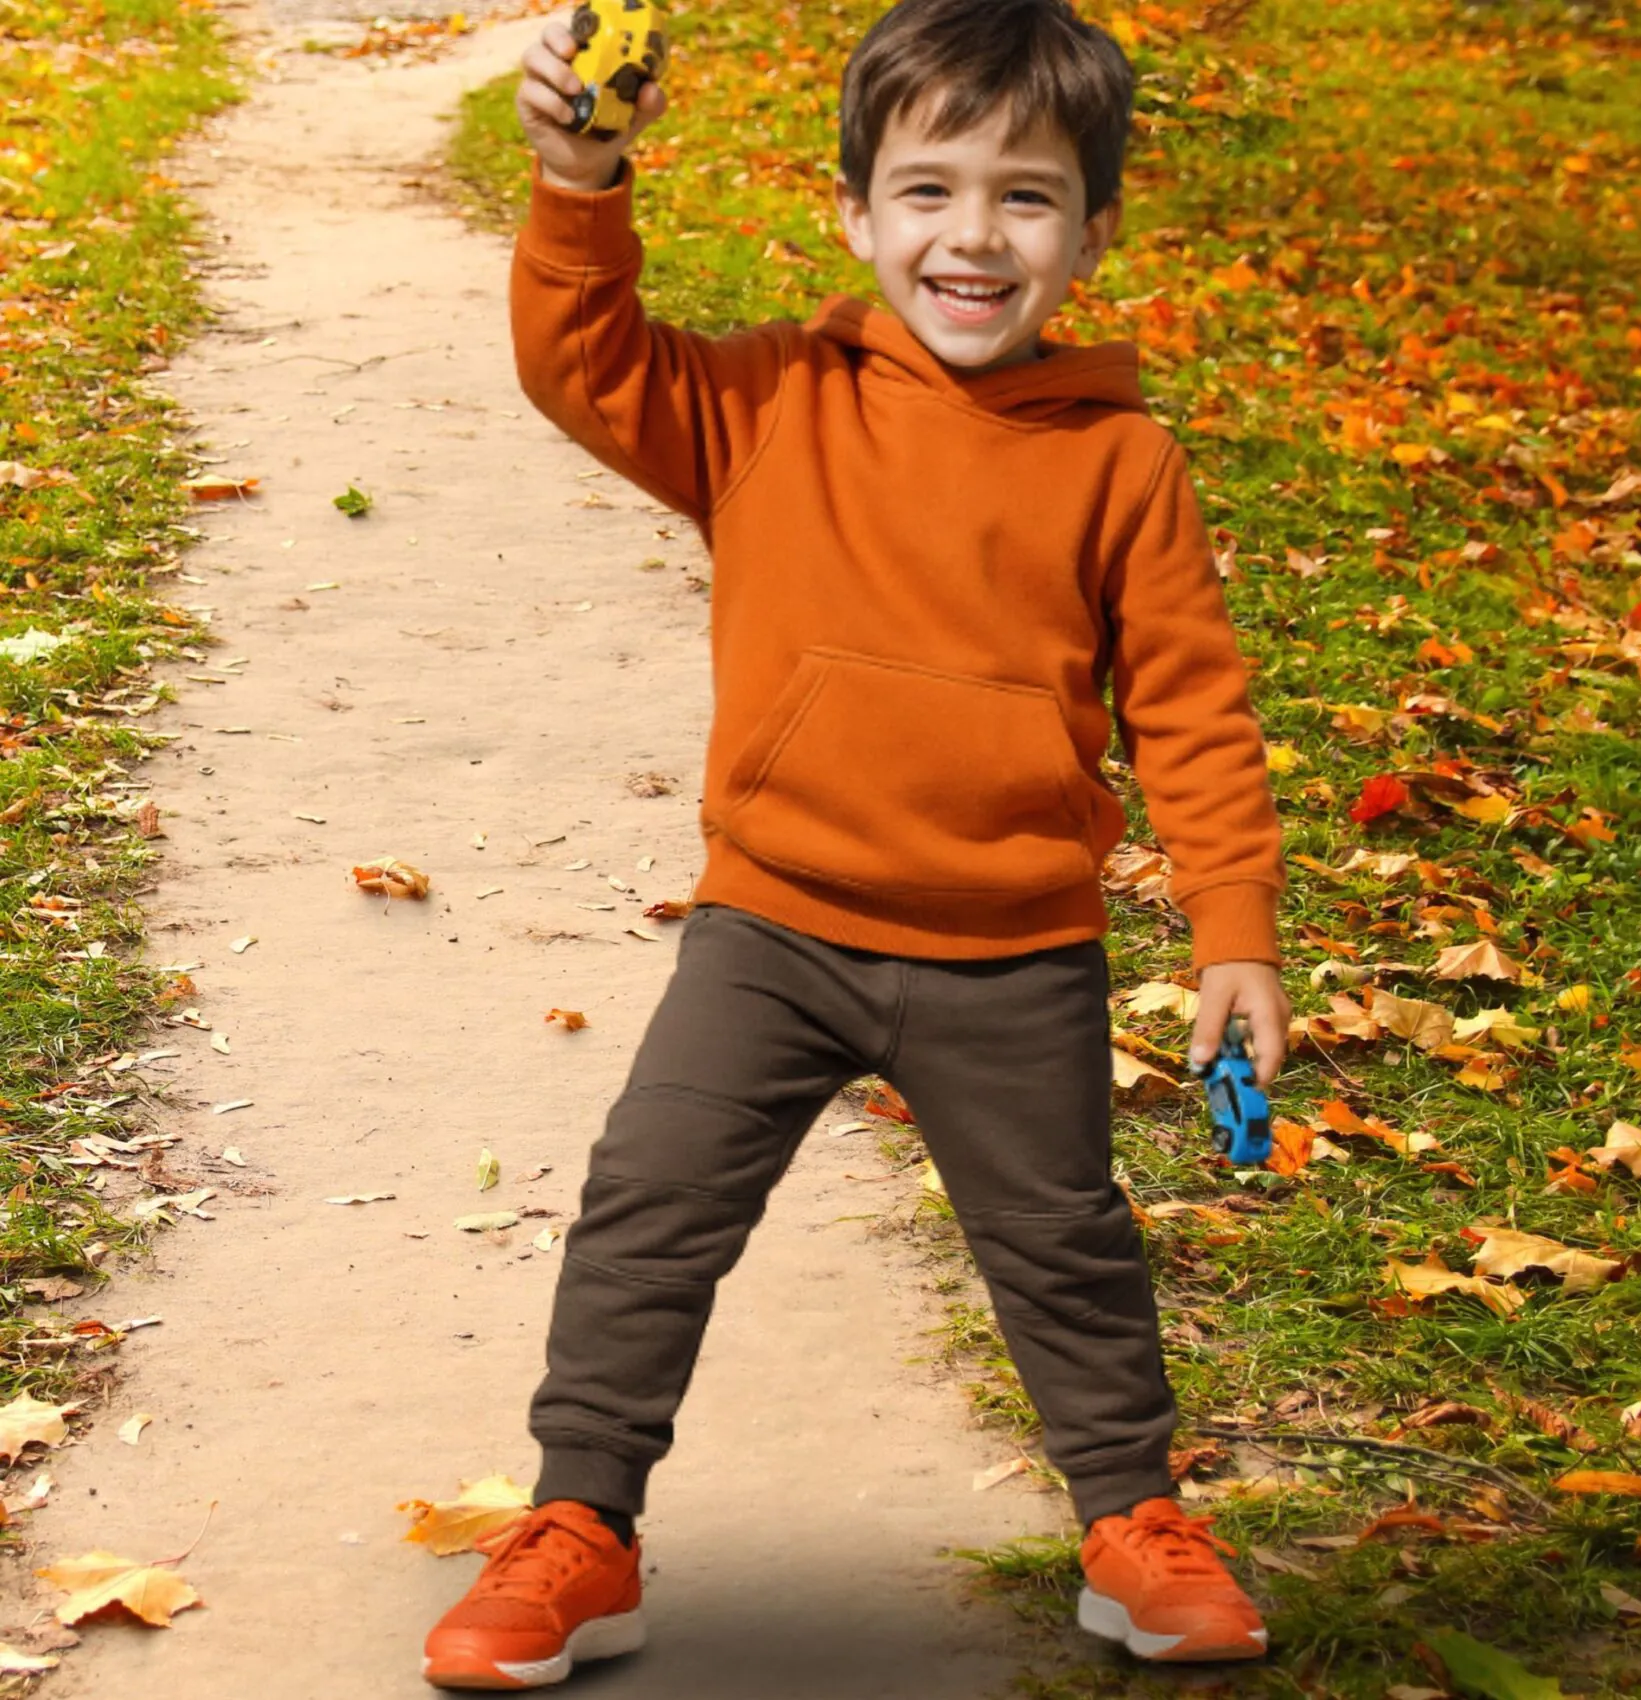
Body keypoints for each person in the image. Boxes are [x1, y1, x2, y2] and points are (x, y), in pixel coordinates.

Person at [422, 0, 1289, 1688]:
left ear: (1095, 232)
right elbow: (584, 362)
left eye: (1028, 197)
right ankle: (581, 1524)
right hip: (774, 931)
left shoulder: (1122, 463)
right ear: (855, 212)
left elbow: (1191, 706)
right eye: (929, 190)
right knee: (648, 1208)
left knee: (1065, 1246)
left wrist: (1233, 925)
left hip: (1016, 951)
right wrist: (576, 182)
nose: (975, 236)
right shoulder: (767, 403)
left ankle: (1135, 1522)